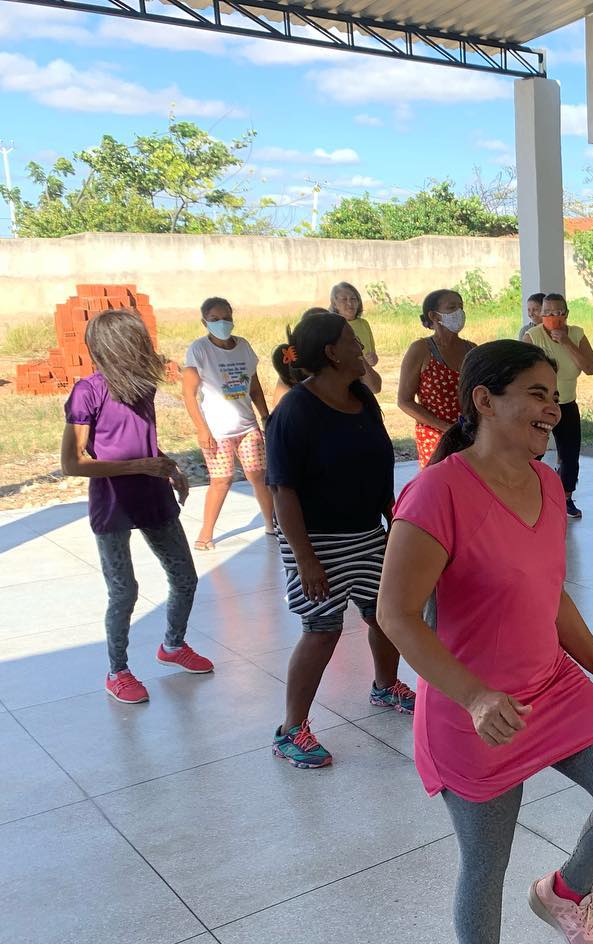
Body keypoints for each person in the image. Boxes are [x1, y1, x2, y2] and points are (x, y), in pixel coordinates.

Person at [377, 340, 593, 944]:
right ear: (484, 400)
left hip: (552, 685)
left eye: (554, 395)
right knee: (486, 861)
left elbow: (551, 595)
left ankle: (567, 893)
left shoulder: (542, 479)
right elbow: (397, 615)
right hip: (474, 707)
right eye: (536, 393)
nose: (553, 408)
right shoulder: (437, 492)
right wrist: (472, 695)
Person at [266, 312, 416, 768]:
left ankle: (385, 685)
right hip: (317, 542)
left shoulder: (362, 399)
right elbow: (283, 491)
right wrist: (305, 559)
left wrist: (394, 523)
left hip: (369, 533)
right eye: (352, 341)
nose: (361, 347)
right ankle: (291, 729)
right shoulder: (294, 411)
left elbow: (379, 465)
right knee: (322, 631)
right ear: (332, 352)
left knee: (384, 616)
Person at [60, 309, 213, 704]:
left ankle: (173, 646)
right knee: (124, 591)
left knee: (185, 578)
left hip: (152, 495)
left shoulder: (142, 386)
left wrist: (167, 466)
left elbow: (142, 440)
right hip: (112, 503)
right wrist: (139, 466)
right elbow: (73, 462)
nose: (147, 348)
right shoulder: (87, 392)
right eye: (139, 342)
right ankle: (118, 671)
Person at [181, 298, 274, 550]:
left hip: (246, 426)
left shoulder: (243, 346)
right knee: (221, 480)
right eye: (214, 319)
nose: (222, 323)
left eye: (226, 317)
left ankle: (271, 524)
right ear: (204, 322)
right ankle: (206, 533)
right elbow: (189, 394)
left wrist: (265, 416)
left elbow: (254, 387)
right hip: (217, 430)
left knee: (259, 476)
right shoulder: (198, 350)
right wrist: (202, 429)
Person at [525, 294, 593, 517]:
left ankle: (565, 497)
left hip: (567, 403)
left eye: (558, 313)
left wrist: (566, 342)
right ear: (540, 315)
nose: (553, 317)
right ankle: (526, 494)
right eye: (547, 313)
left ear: (566, 314)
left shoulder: (576, 334)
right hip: (539, 406)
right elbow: (521, 372)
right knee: (533, 451)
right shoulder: (533, 336)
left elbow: (590, 367)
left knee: (569, 454)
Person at [398, 289, 474, 467]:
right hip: (435, 438)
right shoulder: (421, 350)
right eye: (452, 307)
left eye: (461, 307)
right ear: (433, 315)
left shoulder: (471, 350)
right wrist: (446, 428)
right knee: (438, 488)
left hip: (469, 436)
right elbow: (404, 401)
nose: (459, 313)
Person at [328, 282, 384, 394]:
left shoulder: (363, 324)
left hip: (365, 378)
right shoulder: (331, 326)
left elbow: (371, 354)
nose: (350, 303)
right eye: (344, 299)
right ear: (335, 304)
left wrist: (372, 360)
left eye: (353, 299)